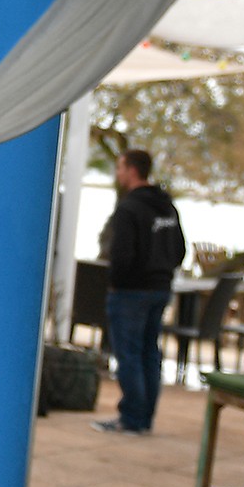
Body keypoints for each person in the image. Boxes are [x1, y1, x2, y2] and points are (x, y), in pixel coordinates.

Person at [93, 148, 185, 435]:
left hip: (131, 292)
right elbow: (180, 250)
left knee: (129, 354)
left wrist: (117, 282)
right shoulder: (167, 206)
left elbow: (122, 254)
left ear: (132, 170)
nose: (117, 174)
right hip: (160, 289)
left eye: (120, 168)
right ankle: (144, 417)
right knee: (149, 353)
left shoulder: (129, 208)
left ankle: (132, 417)